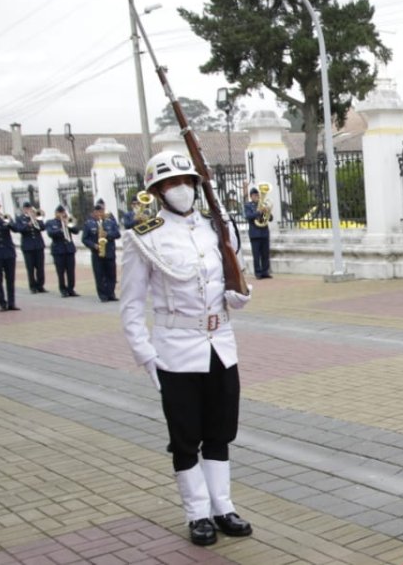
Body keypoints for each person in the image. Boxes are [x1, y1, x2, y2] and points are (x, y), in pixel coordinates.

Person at [121, 151, 253, 547]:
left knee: (220, 432)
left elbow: (235, 284)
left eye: (184, 180)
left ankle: (222, 507)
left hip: (221, 347)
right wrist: (147, 356)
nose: (178, 188)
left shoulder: (218, 228)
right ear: (157, 193)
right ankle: (197, 513)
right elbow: (130, 305)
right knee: (185, 436)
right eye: (168, 183)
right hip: (174, 351)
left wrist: (240, 293)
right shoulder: (144, 237)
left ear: (196, 184)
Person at [82, 200, 120, 302]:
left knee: (111, 274)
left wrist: (107, 235)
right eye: (97, 212)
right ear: (94, 213)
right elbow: (84, 239)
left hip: (109, 252)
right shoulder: (89, 224)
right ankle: (103, 295)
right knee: (99, 274)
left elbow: (117, 234)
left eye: (101, 211)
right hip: (97, 253)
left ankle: (111, 293)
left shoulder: (110, 222)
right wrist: (93, 245)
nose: (99, 214)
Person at [45, 205, 81, 297]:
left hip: (69, 249)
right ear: (56, 213)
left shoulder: (68, 221)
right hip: (58, 250)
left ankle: (71, 289)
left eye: (63, 212)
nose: (62, 214)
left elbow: (76, 231)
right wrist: (61, 228)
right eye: (60, 213)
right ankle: (63, 289)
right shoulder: (50, 222)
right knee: (60, 272)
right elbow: (50, 233)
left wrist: (69, 224)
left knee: (71, 271)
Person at [13, 201, 48, 293]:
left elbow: (43, 228)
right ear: (23, 209)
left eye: (30, 208)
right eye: (27, 208)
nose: (28, 210)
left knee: (40, 267)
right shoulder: (20, 219)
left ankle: (40, 285)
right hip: (27, 247)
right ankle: (32, 286)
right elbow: (19, 229)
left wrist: (35, 219)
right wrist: (28, 224)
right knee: (30, 267)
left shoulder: (36, 216)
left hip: (38, 245)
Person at [243, 187, 272, 279]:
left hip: (264, 233)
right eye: (255, 195)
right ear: (251, 196)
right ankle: (258, 273)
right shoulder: (248, 205)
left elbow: (270, 219)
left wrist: (268, 212)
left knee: (265, 254)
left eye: (258, 195)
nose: (257, 197)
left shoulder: (263, 205)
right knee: (256, 255)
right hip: (255, 234)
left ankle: (265, 272)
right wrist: (258, 212)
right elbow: (248, 216)